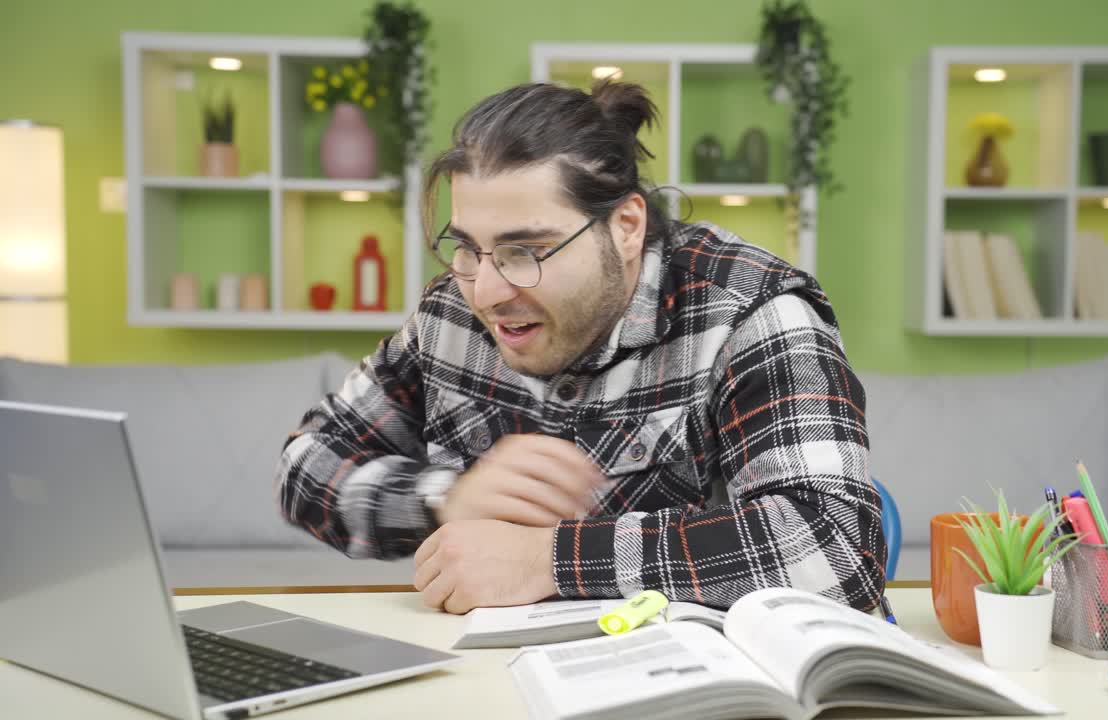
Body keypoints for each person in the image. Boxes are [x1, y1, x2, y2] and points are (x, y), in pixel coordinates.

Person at [275, 79, 885, 615]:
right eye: (468, 247)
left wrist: (551, 560)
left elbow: (835, 550)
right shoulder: (451, 312)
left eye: (527, 251)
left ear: (625, 228)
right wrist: (442, 498)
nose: (485, 290)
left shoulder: (750, 311)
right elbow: (304, 467)